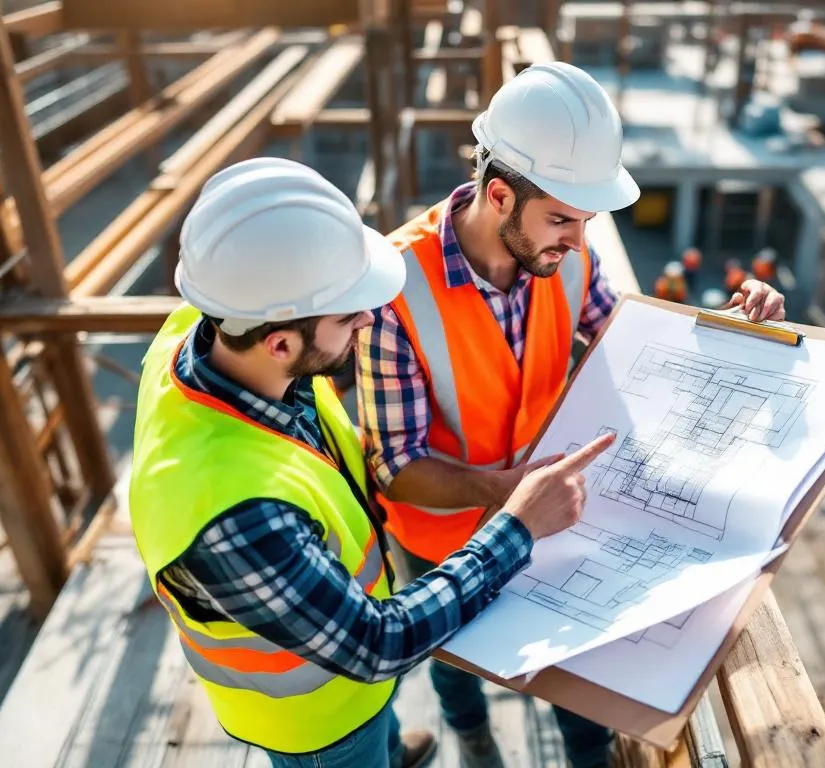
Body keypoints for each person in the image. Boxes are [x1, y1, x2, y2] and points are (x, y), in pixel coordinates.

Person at [354, 61, 786, 768]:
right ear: (499, 195)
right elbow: (396, 468)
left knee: (573, 674)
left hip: (555, 516)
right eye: (561, 219)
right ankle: (470, 735)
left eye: (587, 221)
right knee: (455, 658)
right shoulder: (395, 291)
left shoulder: (567, 257)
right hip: (443, 537)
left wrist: (733, 326)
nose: (580, 242)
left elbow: (634, 338)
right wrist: (505, 492)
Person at [127, 157, 616, 768]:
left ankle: (388, 748)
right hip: (317, 723)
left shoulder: (209, 337)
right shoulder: (236, 516)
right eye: (346, 315)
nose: (367, 319)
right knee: (362, 746)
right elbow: (377, 643)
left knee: (380, 735)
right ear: (281, 341)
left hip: (359, 685)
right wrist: (515, 527)